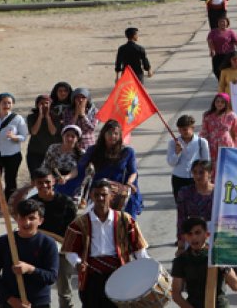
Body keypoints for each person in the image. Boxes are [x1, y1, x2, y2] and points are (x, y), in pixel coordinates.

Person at [62, 179, 149, 308]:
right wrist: (78, 263)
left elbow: (139, 249)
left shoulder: (125, 220)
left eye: (104, 195)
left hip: (119, 274)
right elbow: (70, 251)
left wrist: (148, 270)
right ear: (91, 196)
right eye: (96, 195)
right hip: (91, 277)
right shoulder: (79, 223)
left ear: (111, 196)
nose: (100, 198)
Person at [0, 199, 59, 308]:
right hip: (10, 303)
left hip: (39, 303)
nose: (26, 223)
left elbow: (51, 277)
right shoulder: (3, 242)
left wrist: (30, 269)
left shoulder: (48, 243)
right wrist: (10, 299)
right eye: (22, 218)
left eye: (32, 218)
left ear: (40, 220)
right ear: (17, 219)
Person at [28, 168, 78, 308]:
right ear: (34, 184)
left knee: (64, 292)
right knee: (39, 291)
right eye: (40, 183)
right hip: (38, 251)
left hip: (63, 252)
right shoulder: (31, 204)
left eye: (47, 182)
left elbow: (73, 230)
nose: (44, 186)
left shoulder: (66, 202)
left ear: (54, 182)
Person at [77, 120, 143, 217]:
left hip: (119, 195)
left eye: (116, 133)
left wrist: (129, 183)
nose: (113, 136)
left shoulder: (127, 152)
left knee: (122, 227)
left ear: (120, 135)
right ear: (104, 134)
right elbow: (80, 167)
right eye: (110, 133)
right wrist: (67, 177)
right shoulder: (94, 150)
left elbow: (133, 172)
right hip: (99, 193)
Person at [172, 217, 237, 308]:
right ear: (185, 237)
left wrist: (223, 267)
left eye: (198, 233)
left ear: (207, 234)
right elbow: (176, 295)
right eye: (189, 234)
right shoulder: (181, 261)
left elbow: (236, 286)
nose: (194, 237)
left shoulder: (218, 255)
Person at [0, 92, 28, 201]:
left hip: (12, 154)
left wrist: (14, 137)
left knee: (10, 180)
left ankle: (9, 204)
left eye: (9, 103)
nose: (7, 105)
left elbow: (24, 136)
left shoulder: (18, 119)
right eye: (4, 103)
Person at [167, 115, 211, 199]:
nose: (182, 132)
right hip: (179, 178)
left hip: (196, 178)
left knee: (197, 204)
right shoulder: (173, 143)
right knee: (181, 205)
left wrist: (206, 178)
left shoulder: (201, 142)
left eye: (185, 129)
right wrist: (177, 153)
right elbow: (171, 163)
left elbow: (206, 163)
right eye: (180, 130)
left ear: (192, 128)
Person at [175, 160, 215, 251]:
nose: (197, 176)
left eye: (201, 172)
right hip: (192, 235)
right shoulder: (185, 192)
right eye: (195, 172)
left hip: (213, 237)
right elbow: (181, 218)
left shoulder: (219, 192)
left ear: (210, 173)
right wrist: (181, 242)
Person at [199, 93, 237, 167]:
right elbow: (204, 132)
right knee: (212, 167)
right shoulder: (207, 115)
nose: (219, 104)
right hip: (211, 146)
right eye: (217, 101)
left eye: (222, 102)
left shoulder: (231, 115)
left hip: (226, 145)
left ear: (226, 104)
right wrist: (200, 145)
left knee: (226, 166)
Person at [42, 124, 84, 199]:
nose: (69, 138)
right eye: (67, 135)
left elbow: (78, 170)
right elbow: (46, 165)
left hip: (72, 183)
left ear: (77, 139)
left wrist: (66, 178)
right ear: (62, 136)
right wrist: (50, 179)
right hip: (52, 181)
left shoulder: (81, 153)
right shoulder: (53, 148)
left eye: (73, 136)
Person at [26, 94, 58, 174]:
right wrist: (40, 116)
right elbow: (34, 132)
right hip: (34, 152)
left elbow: (53, 132)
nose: (44, 105)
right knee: (35, 177)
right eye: (41, 103)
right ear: (37, 105)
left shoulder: (55, 117)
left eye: (46, 103)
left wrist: (47, 117)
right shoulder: (31, 117)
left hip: (51, 153)